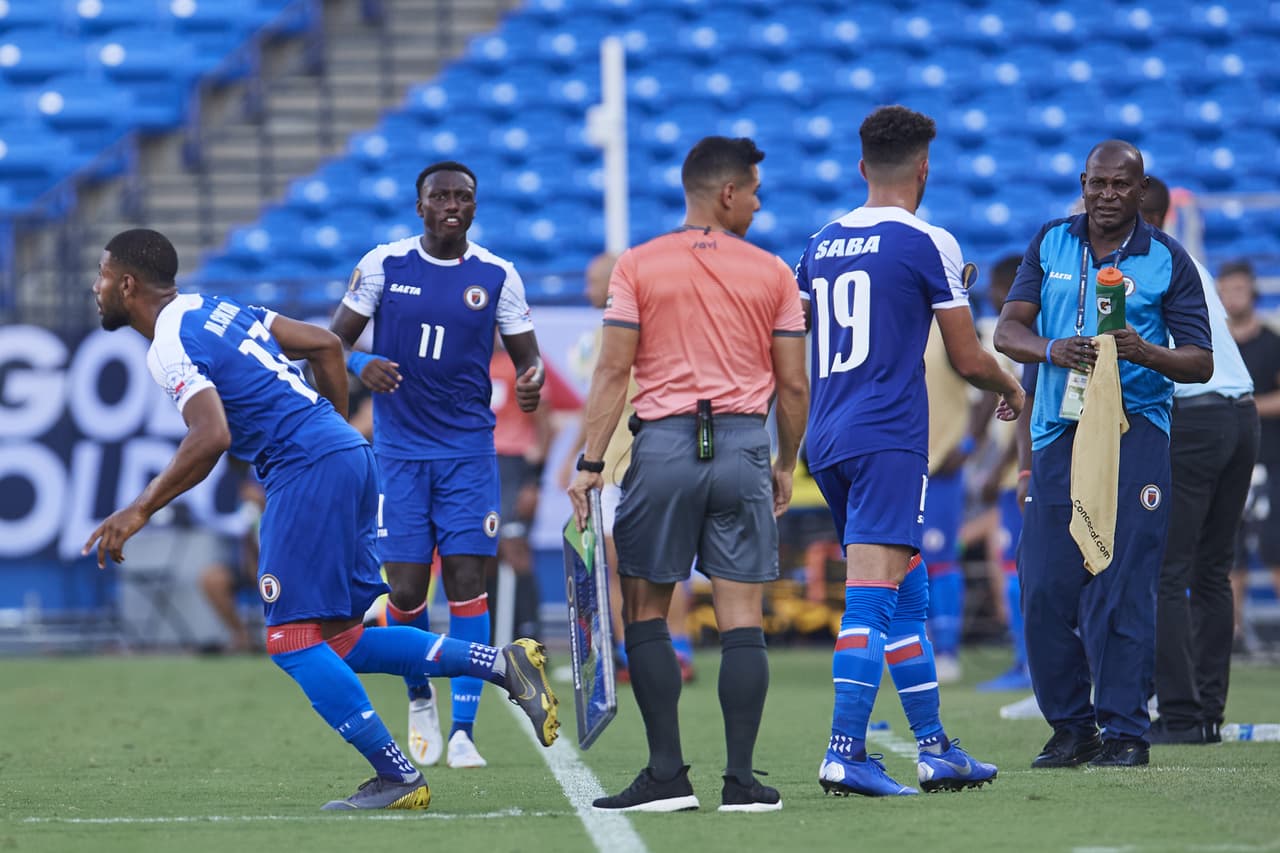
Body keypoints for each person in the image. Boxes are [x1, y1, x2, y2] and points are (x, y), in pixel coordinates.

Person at [84, 229, 558, 811]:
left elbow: (211, 436)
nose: (95, 285)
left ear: (127, 284)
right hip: (348, 456)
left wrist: (138, 509)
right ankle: (503, 664)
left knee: (288, 639)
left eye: (102, 274)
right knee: (343, 639)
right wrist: (331, 429)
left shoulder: (168, 344)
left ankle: (398, 776)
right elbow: (326, 347)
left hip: (308, 466)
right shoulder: (219, 308)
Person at [568, 136, 809, 813]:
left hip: (664, 447)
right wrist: (786, 461)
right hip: (741, 446)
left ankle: (667, 774)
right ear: (727, 193)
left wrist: (590, 463)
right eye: (755, 192)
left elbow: (614, 370)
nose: (759, 205)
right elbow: (793, 386)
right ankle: (741, 781)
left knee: (645, 608)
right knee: (742, 615)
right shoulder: (772, 273)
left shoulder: (638, 265)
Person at [797, 105, 1022, 798]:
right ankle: (844, 752)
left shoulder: (819, 242)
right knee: (870, 599)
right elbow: (964, 356)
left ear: (862, 166)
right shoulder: (930, 241)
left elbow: (790, 338)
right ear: (925, 167)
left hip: (828, 437)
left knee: (909, 594)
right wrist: (1012, 383)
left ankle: (934, 749)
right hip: (889, 437)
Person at [994, 141, 1213, 769]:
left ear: (1143, 191)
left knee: (1124, 584)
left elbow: (1201, 361)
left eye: (1122, 185)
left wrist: (1144, 352)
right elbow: (1009, 332)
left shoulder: (1168, 259)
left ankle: (1123, 731)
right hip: (1057, 432)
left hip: (1134, 430)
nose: (1108, 195)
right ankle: (1071, 727)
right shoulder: (1049, 243)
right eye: (1098, 184)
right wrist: (1051, 349)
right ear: (1082, 184)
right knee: (1043, 585)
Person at [330, 161, 545, 770]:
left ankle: (465, 732)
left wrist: (531, 383)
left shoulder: (498, 275)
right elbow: (332, 343)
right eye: (440, 196)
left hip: (469, 453)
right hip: (398, 454)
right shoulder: (383, 264)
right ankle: (419, 695)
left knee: (468, 585)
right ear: (419, 205)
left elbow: (528, 361)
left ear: (475, 207)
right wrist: (356, 369)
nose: (452, 204)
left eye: (463, 197)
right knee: (402, 588)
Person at [1142, 176, 1258, 746]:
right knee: (1212, 572)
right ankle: (1208, 712)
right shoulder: (1190, 261)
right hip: (1241, 414)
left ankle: (1182, 717)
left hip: (1194, 418)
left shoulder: (1144, 263)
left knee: (1167, 572)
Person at [558, 250, 697, 683]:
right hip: (632, 462)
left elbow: (602, 398)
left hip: (633, 462)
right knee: (636, 563)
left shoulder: (619, 332)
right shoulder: (648, 328)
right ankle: (634, 652)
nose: (587, 289)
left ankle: (672, 650)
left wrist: (579, 459)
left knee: (647, 563)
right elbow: (595, 406)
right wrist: (573, 456)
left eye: (593, 279)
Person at [490, 334, 579, 640]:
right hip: (478, 466)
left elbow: (547, 426)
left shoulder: (521, 366)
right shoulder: (467, 363)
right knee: (483, 551)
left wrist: (534, 481)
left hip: (515, 467)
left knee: (515, 549)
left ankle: (530, 634)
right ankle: (493, 635)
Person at [976, 254, 1034, 693]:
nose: (995, 300)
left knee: (1021, 571)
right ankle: (1022, 660)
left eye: (999, 290)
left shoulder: (1023, 337)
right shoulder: (1007, 338)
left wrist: (1003, 468)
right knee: (1010, 568)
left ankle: (1030, 664)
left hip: (1024, 470)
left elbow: (1027, 405)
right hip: (1014, 469)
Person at [1219, 260, 1280, 648]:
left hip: (1269, 458)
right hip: (1223, 460)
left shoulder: (1271, 344)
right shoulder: (1213, 346)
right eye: (1226, 289)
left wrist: (1246, 406)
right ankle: (1231, 634)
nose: (1233, 296)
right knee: (1227, 550)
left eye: (1240, 288)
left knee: (1275, 546)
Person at [198, 470, 265, 653]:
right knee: (212, 578)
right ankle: (242, 636)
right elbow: (245, 538)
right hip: (253, 565)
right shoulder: (247, 509)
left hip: (284, 566)